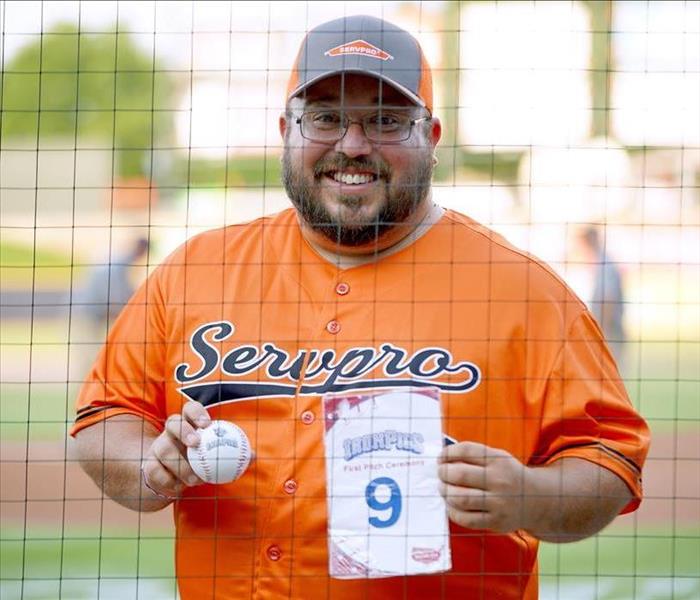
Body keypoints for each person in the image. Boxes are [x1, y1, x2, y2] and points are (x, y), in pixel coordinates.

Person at [71, 15, 649, 600]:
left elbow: (608, 462)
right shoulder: (197, 270)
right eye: (325, 117)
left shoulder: (525, 292)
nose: (352, 144)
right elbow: (106, 417)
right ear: (286, 130)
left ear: (432, 136)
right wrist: (149, 466)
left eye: (386, 120)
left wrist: (530, 495)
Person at [577, 225, 627, 369]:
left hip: (609, 331)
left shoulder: (604, 263)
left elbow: (608, 299)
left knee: (607, 379)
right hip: (607, 331)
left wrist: (601, 332)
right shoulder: (601, 262)